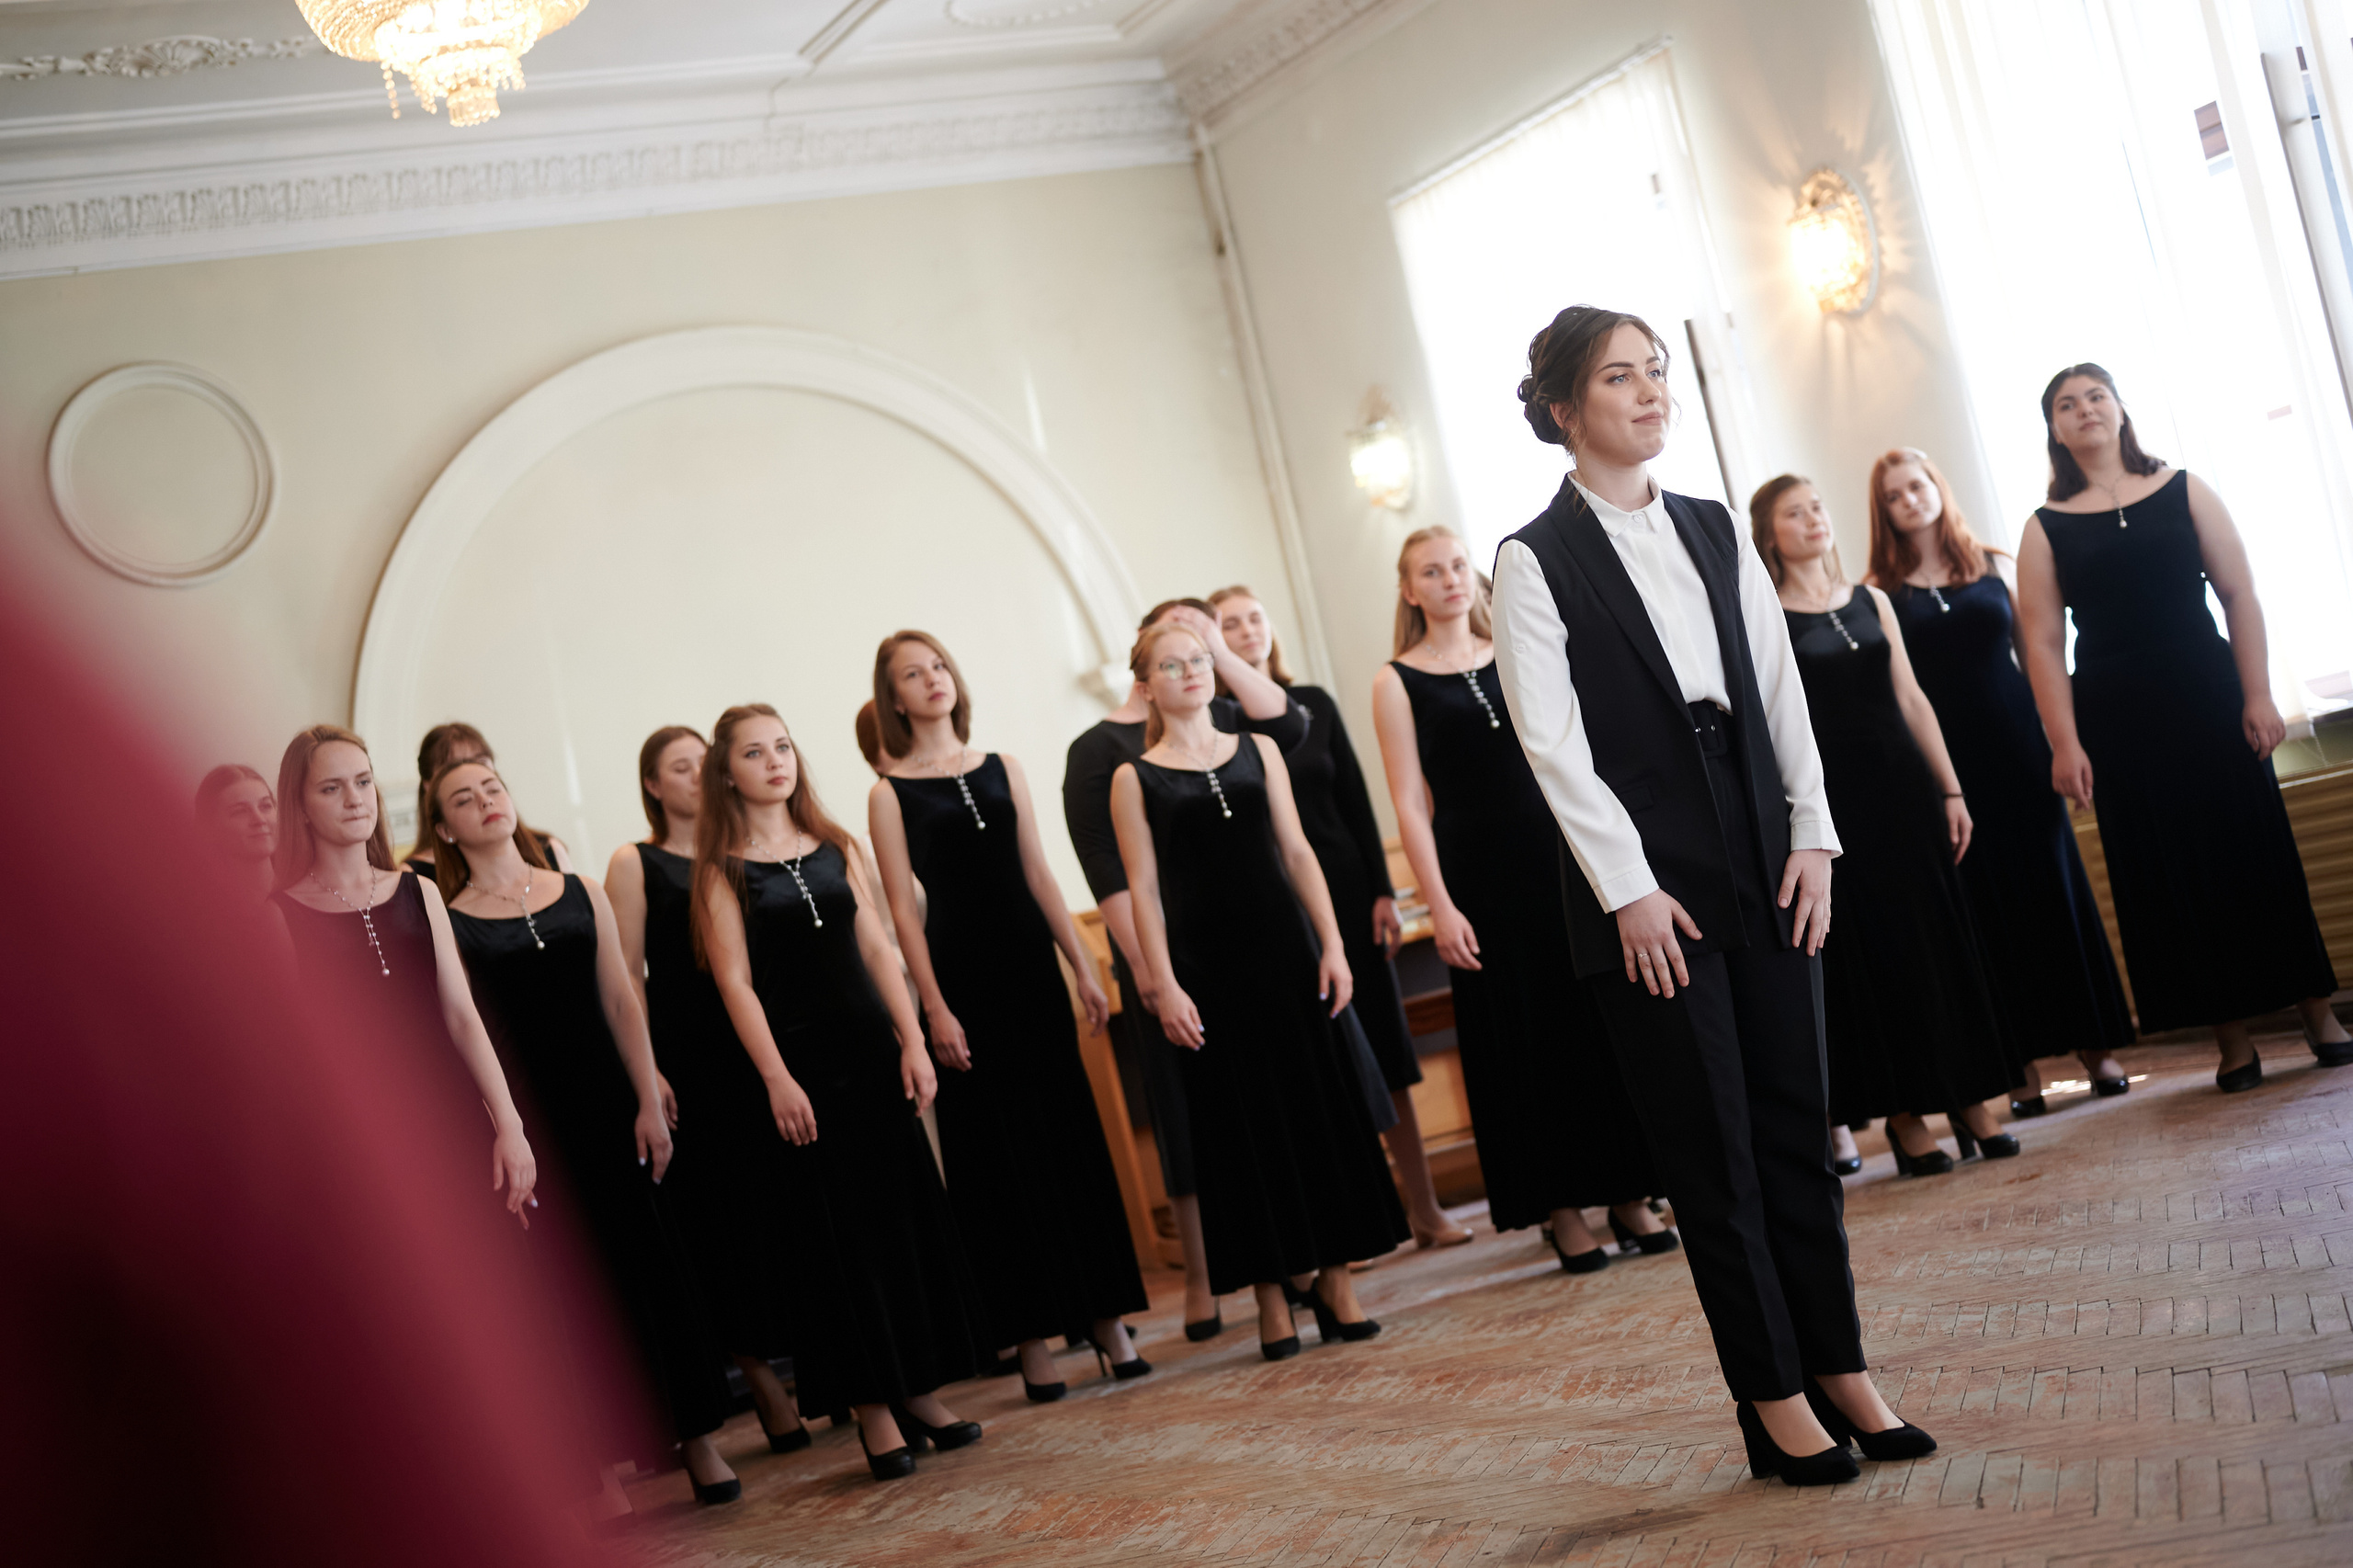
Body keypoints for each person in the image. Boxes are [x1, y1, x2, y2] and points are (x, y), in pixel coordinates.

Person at [1493, 304, 1932, 1484]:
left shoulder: (1711, 528)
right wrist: (1627, 890)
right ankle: (1774, 1393)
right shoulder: (1533, 555)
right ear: (1560, 409)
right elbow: (1552, 744)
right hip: (1648, 880)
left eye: (1657, 374)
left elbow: (1778, 682)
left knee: (1799, 1125)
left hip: (1762, 843)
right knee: (1715, 1151)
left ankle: (1841, 1366)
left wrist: (1814, 834)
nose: (1649, 395)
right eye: (1620, 379)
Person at [2016, 364, 2348, 1091]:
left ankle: (2317, 1012)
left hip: (2208, 691)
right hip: (2117, 715)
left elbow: (2239, 594)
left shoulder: (2185, 488)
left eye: (2096, 396)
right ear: (2055, 428)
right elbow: (2040, 644)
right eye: (2067, 405)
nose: (2085, 411)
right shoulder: (2044, 529)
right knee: (2167, 872)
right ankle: (2230, 1039)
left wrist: (2259, 695)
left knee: (2253, 848)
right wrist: (2065, 744)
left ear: (2121, 408)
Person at [426, 759, 741, 1509]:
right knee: (566, 1292)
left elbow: (622, 1001)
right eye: (463, 800)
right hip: (534, 1120)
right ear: (444, 828)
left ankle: (696, 1439)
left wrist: (646, 1096)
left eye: (493, 789)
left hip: (609, 1105)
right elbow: (467, 1029)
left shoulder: (581, 890)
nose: (485, 804)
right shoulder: (453, 912)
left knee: (651, 1263)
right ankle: (600, 1470)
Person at [694, 704, 983, 1482]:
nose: (775, 762)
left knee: (898, 1225)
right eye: (755, 753)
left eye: (783, 747)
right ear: (729, 773)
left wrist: (915, 1039)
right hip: (804, 1071)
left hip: (871, 1056)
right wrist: (776, 1078)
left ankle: (918, 1391)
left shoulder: (833, 845)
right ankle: (874, 1411)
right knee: (838, 1242)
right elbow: (736, 984)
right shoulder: (722, 869)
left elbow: (878, 948)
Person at [1369, 528, 1670, 1267]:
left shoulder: (1519, 646)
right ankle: (1560, 1207)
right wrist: (1437, 904)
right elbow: (1410, 802)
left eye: (1457, 567)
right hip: (1478, 875)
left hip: (1559, 853)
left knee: (1594, 1020)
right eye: (1430, 573)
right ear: (1410, 591)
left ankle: (1629, 1191)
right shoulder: (1395, 681)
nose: (1448, 581)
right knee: (1523, 1036)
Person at [1111, 619, 1409, 1359]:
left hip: (1288, 955)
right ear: (1147, 686)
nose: (1192, 672)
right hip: (1207, 973)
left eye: (1200, 659)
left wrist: (1334, 946)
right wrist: (1164, 986)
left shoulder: (1261, 749)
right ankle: (1273, 1293)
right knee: (1238, 1129)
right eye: (1172, 665)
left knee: (1318, 1113)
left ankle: (1336, 1281)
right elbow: (1142, 892)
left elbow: (1299, 853)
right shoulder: (1133, 776)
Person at [867, 631, 1149, 1402]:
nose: (931, 681)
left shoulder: (1004, 768)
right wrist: (934, 1008)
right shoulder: (889, 791)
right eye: (911, 675)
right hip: (960, 976)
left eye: (937, 667)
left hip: (1030, 968)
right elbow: (900, 910)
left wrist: (1082, 965)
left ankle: (1105, 1319)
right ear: (893, 698)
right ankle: (1028, 1337)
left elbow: (1038, 871)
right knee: (993, 1154)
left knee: (1067, 1136)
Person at [1754, 474, 2018, 1175]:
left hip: (1905, 789)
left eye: (1817, 506)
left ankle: (1968, 1098)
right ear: (1769, 532)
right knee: (1877, 955)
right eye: (1794, 512)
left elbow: (1911, 696)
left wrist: (1951, 788)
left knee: (1937, 939)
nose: (1814, 518)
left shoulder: (1870, 598)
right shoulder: (1765, 618)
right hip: (1837, 802)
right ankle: (1905, 1115)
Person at [1061, 599, 1307, 1340]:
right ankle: (1205, 1279)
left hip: (1263, 944)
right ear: (1145, 667)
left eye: (1200, 646)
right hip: (1166, 955)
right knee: (1195, 1120)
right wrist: (1148, 968)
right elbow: (1116, 872)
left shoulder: (1233, 725)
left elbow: (1290, 734)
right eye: (1175, 649)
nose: (1192, 658)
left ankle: (1303, 1261)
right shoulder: (1104, 754)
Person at [1866, 447, 2134, 1117]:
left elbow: (2040, 658)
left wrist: (2063, 743)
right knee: (1985, 913)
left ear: (1937, 486)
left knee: (2055, 894)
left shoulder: (1990, 563)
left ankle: (2097, 1049)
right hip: (1948, 769)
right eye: (1895, 494)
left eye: (1917, 485)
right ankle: (2019, 1069)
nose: (1910, 499)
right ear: (1885, 510)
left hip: (2019, 749)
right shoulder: (1879, 591)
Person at [1211, 585, 1471, 1250]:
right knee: (1324, 1061)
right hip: (1276, 903)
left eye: (1254, 618)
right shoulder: (1213, 721)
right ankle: (1352, 1219)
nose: (1247, 631)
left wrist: (1384, 890)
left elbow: (1355, 795)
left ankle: (1426, 1208)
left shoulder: (1315, 703)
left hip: (1350, 890)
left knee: (1388, 1047)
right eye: (1230, 624)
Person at [604, 725, 813, 1453]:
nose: (698, 776)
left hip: (763, 1039)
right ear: (654, 785)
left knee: (792, 1212)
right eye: (680, 767)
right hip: (693, 1056)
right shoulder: (636, 861)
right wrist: (648, 1064)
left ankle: (828, 1371)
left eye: (705, 763)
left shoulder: (748, 850)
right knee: (726, 1223)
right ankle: (760, 1384)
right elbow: (625, 974)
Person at [270, 724, 539, 1230]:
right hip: (360, 1137)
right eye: (332, 788)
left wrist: (509, 1123)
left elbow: (462, 1017)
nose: (355, 799)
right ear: (301, 805)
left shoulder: (421, 890)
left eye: (364, 782)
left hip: (455, 1117)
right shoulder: (279, 915)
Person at [408, 722, 571, 877]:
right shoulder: (415, 875)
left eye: (481, 762)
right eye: (451, 767)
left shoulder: (547, 848)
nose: (470, 771)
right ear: (429, 787)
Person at [195, 763, 278, 902]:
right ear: (210, 825)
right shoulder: (201, 906)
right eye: (240, 811)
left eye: (265, 806)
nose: (259, 820)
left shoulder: (314, 887)